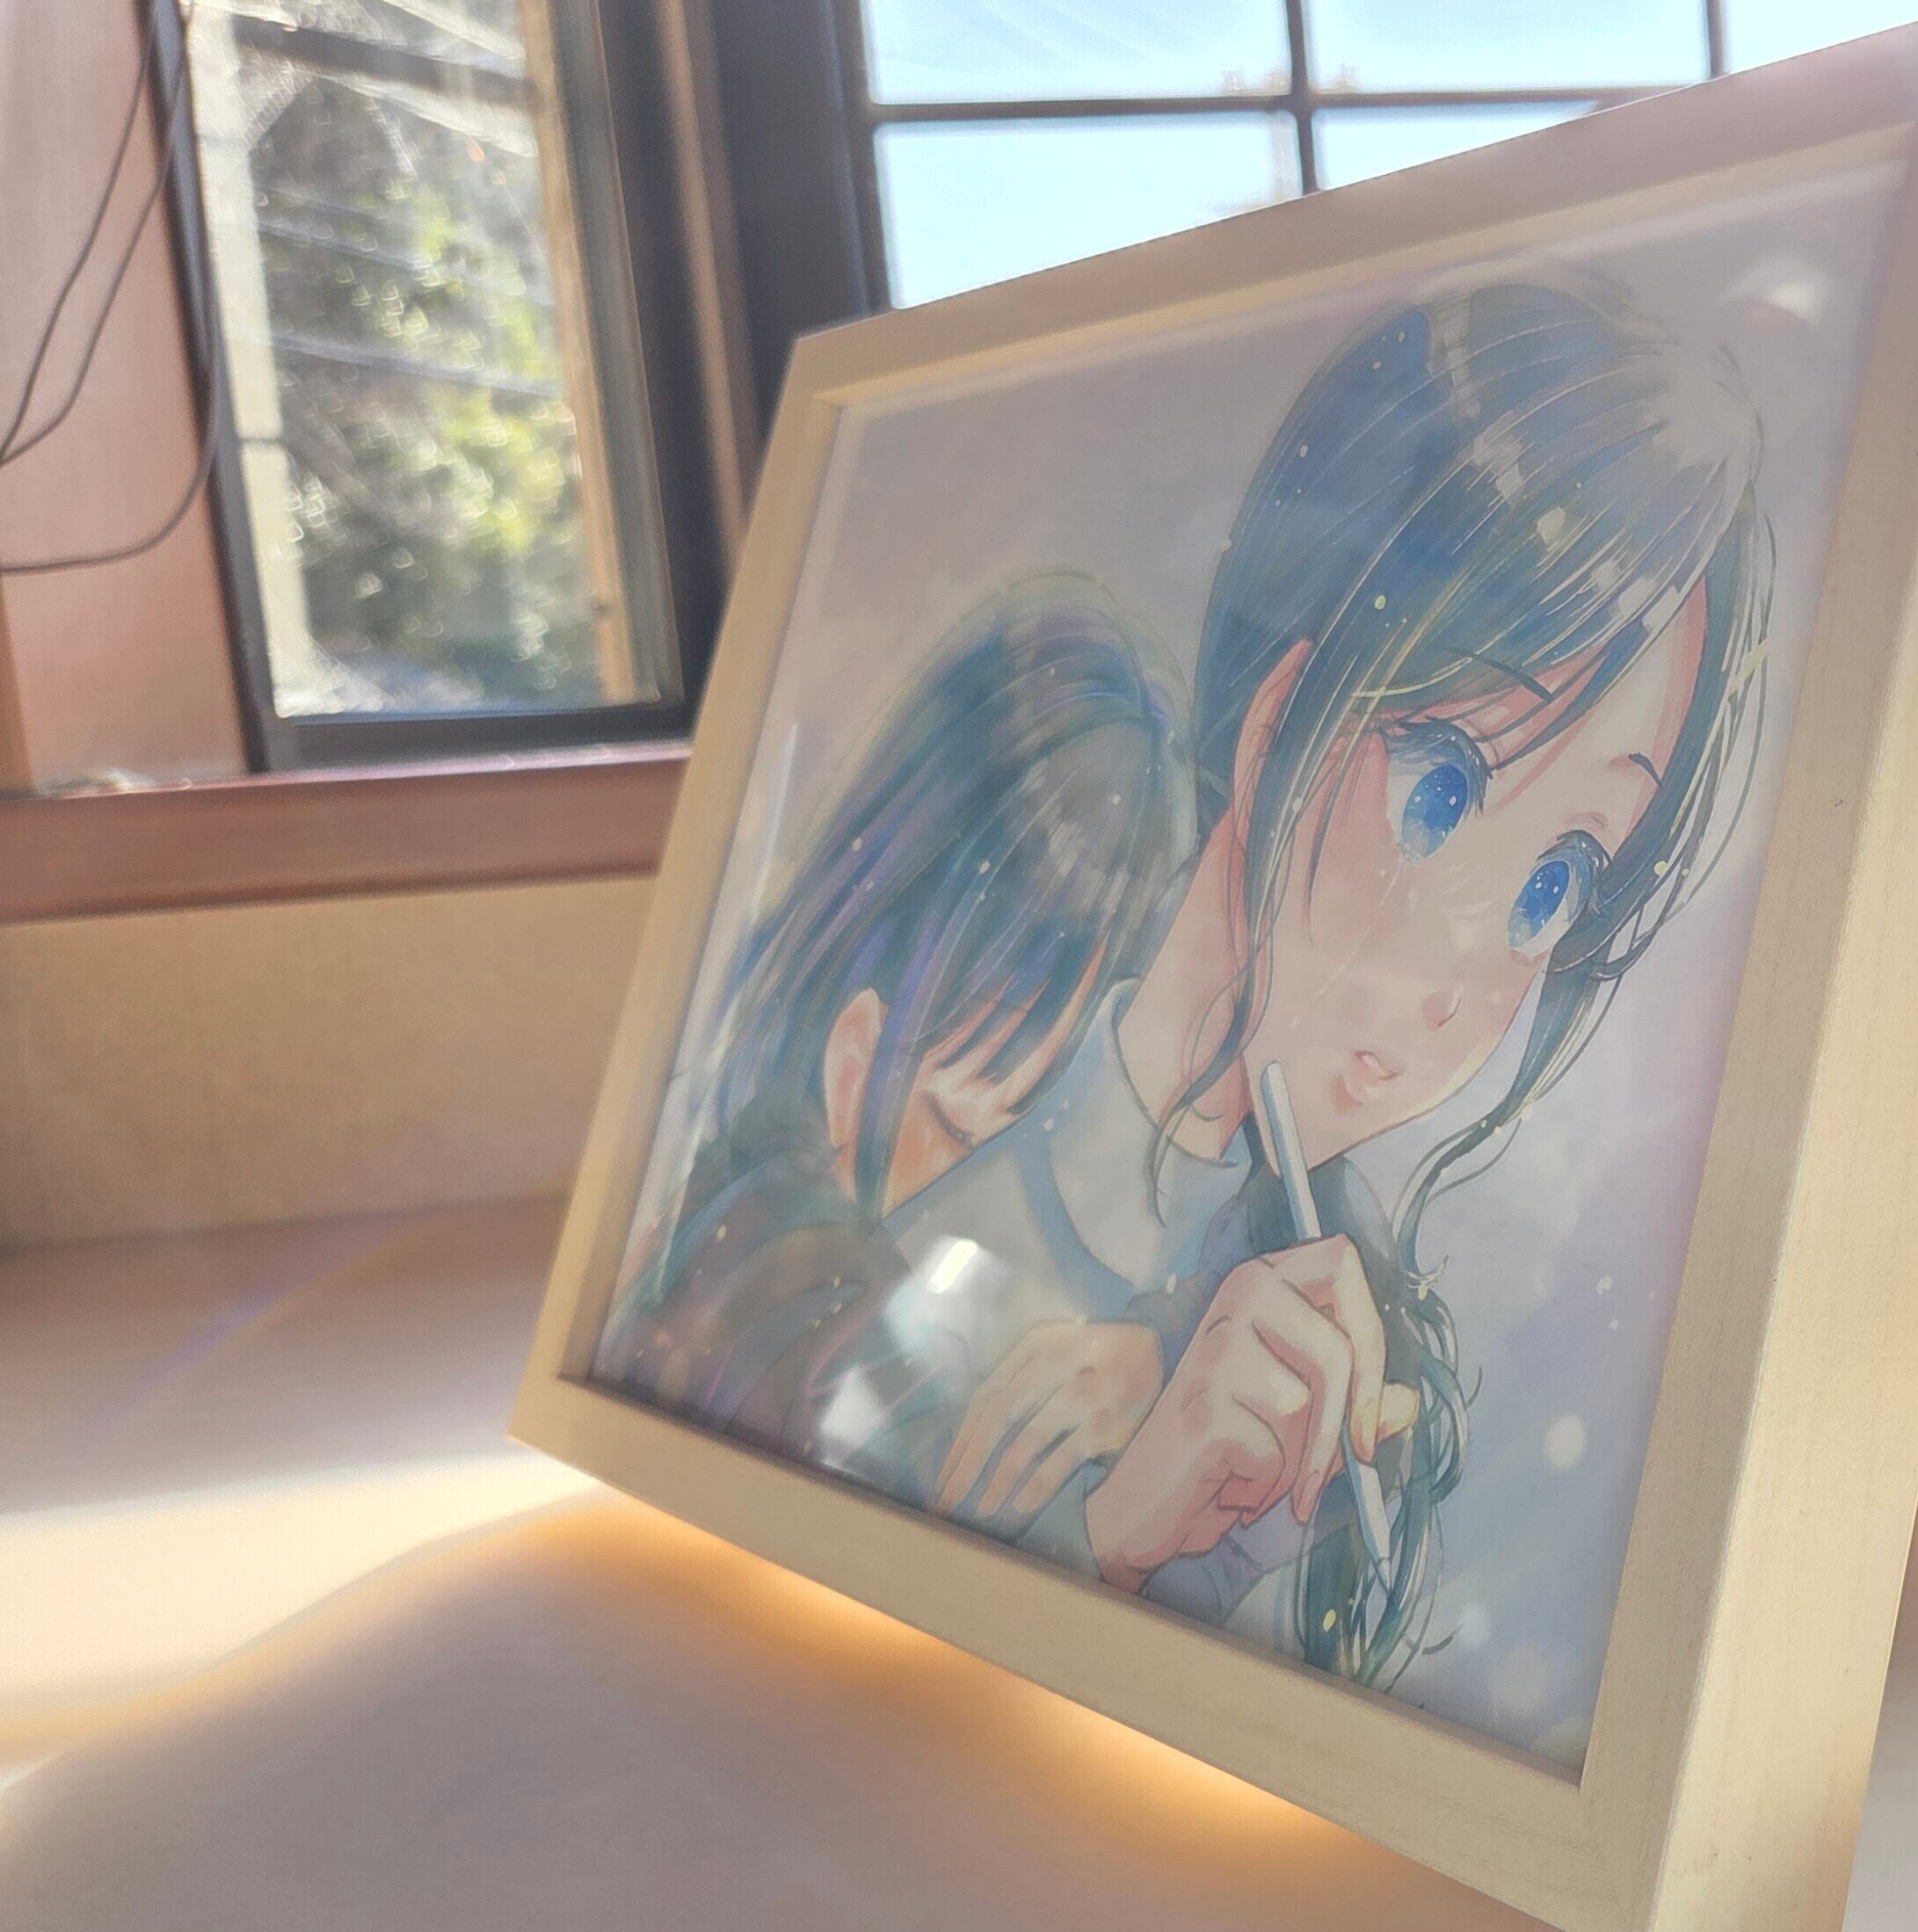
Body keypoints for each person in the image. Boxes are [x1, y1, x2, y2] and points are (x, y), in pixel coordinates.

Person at [891, 274, 1778, 1684]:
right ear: (1274, 720)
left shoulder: (1370, 1343)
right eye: (1442, 792)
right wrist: (1109, 1539)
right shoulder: (950, 1231)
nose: (1461, 979)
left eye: (1556, 882)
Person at [592, 576, 1189, 1507]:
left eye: (1009, 1125)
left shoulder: (717, 1196)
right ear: (853, 1044)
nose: (952, 1173)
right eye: (949, 1123)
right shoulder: (803, 1270)